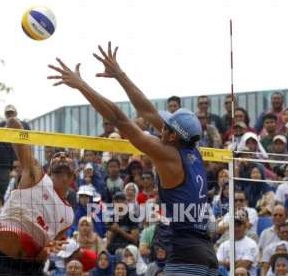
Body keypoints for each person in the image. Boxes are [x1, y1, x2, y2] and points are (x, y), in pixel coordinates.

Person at [48, 41, 218, 275]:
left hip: (186, 253)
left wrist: (82, 86)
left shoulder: (168, 154)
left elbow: (120, 120)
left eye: (166, 127)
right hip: (206, 251)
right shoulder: (192, 149)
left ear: (173, 135)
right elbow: (147, 111)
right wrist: (120, 75)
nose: (161, 127)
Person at [0, 117, 75, 275]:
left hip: (28, 268)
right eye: (57, 156)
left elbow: (49, 247)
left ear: (73, 176)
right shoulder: (36, 174)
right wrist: (13, 120)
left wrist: (47, 250)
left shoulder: (69, 215)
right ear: (49, 169)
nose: (62, 157)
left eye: (67, 157)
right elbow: (13, 125)